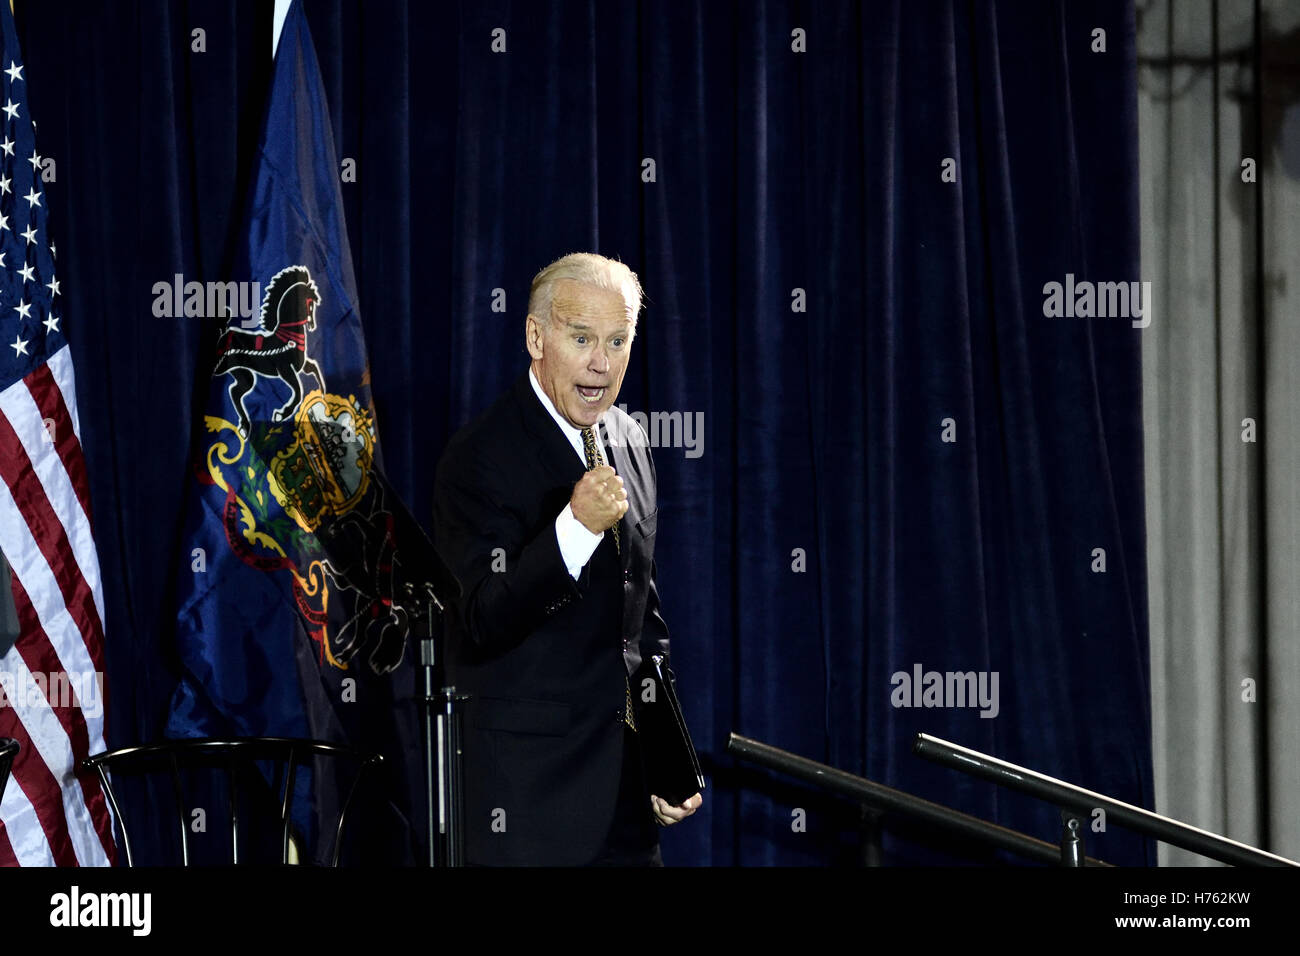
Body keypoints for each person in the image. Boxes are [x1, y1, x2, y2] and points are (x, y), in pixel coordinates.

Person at [432, 252, 703, 866]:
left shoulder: (630, 440)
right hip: (527, 811)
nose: (601, 365)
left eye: (616, 341)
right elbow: (479, 619)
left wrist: (665, 750)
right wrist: (574, 528)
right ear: (536, 336)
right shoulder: (479, 455)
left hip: (627, 810)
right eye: (581, 338)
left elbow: (642, 626)